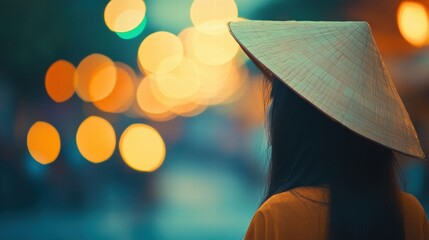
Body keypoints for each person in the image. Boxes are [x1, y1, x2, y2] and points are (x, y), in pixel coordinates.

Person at [227, 20, 429, 239]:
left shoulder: (277, 215)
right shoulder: (410, 213)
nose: (269, 111)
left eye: (274, 98)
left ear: (296, 121)